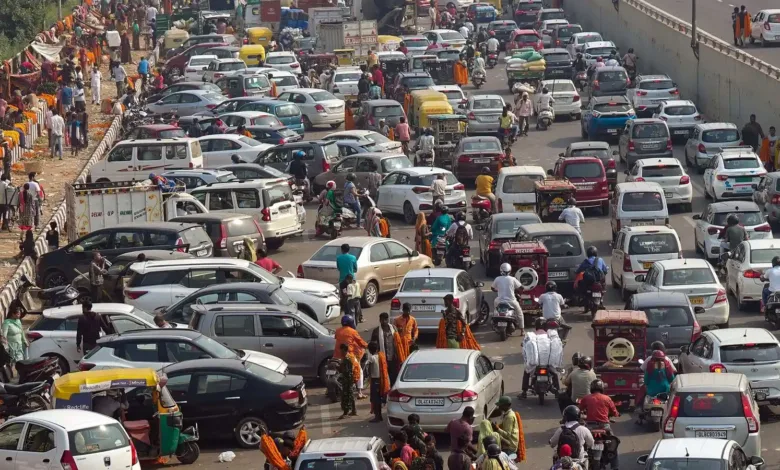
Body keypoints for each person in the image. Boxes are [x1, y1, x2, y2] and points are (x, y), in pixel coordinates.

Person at [491, 263, 525, 335]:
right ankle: (522, 330)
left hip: (499, 301)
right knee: (519, 314)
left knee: (495, 309)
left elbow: (492, 288)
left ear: (501, 270)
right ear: (510, 270)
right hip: (511, 301)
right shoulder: (513, 279)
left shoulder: (497, 278)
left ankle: (494, 321)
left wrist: (498, 290)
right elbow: (521, 288)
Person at [371, 311, 402, 382]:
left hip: (393, 357)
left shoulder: (393, 328)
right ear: (380, 320)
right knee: (384, 377)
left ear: (387, 320)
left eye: (385, 319)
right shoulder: (376, 331)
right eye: (382, 320)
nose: (384, 321)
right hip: (383, 358)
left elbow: (398, 341)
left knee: (394, 376)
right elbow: (373, 345)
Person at [338, 343, 358, 418]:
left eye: (341, 350)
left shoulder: (346, 359)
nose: (340, 352)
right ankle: (353, 410)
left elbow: (346, 371)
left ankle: (346, 412)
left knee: (346, 395)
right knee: (351, 394)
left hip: (347, 380)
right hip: (350, 379)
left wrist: (338, 367)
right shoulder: (350, 357)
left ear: (344, 350)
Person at [337, 243, 358, 310]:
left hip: (342, 281)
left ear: (342, 250)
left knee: (344, 296)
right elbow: (355, 269)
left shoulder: (338, 258)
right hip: (351, 281)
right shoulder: (353, 257)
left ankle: (345, 310)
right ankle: (359, 316)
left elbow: (339, 268)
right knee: (354, 298)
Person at [366, 341, 383, 422]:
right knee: (379, 399)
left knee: (375, 399)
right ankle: (379, 415)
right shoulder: (381, 356)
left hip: (375, 380)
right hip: (381, 380)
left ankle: (377, 417)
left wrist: (367, 375)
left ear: (370, 350)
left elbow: (367, 367)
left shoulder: (372, 358)